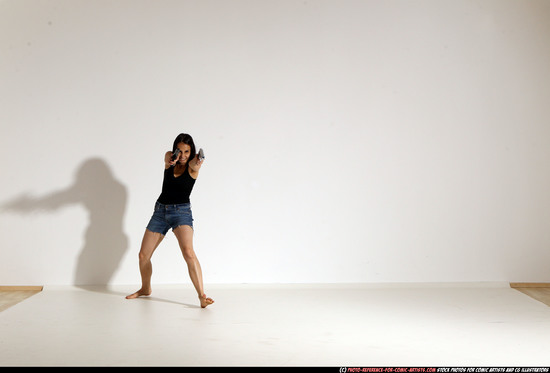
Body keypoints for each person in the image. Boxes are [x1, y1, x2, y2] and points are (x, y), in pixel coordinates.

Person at [126, 133, 214, 308]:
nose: (182, 155)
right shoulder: (169, 160)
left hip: (181, 212)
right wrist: (172, 158)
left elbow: (195, 163)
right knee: (143, 256)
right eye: (179, 151)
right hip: (160, 211)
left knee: (188, 252)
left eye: (187, 151)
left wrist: (197, 160)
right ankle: (145, 288)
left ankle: (202, 297)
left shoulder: (193, 167)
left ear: (192, 152)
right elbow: (168, 156)